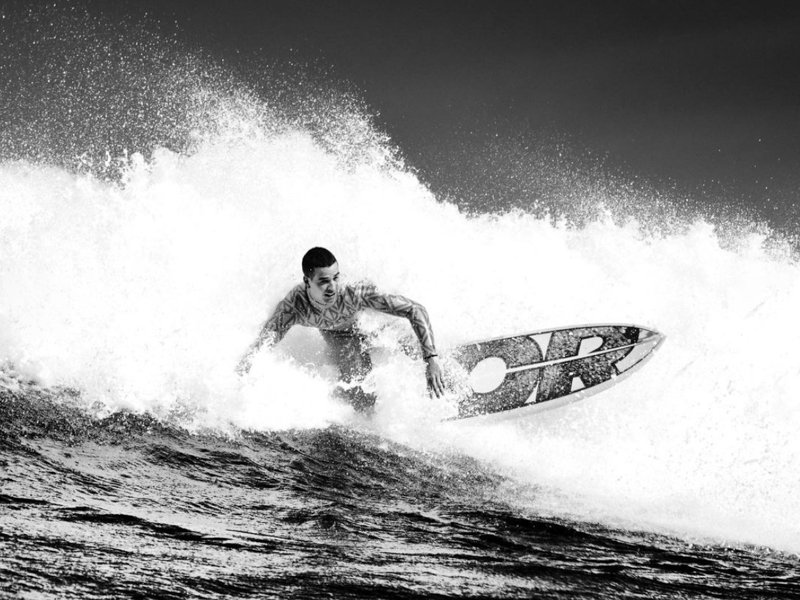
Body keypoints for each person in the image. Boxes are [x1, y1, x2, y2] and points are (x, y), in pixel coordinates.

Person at [236, 247, 444, 410]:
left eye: (336, 278)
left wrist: (431, 358)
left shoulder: (353, 293)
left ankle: (447, 383)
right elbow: (265, 342)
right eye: (324, 281)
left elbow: (415, 310)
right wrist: (242, 373)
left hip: (373, 323)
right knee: (360, 391)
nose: (332, 287)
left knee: (413, 348)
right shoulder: (294, 308)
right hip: (339, 334)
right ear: (307, 281)